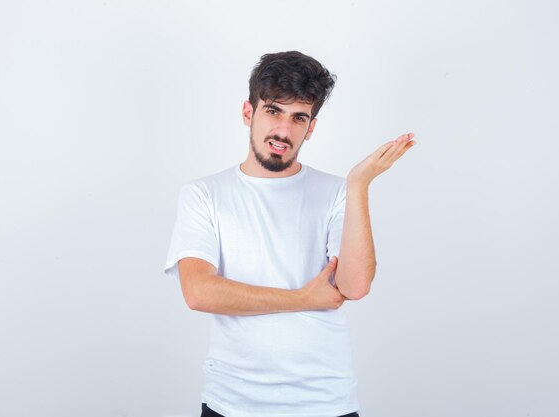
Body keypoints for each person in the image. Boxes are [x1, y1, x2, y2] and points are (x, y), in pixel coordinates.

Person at [164, 50, 415, 417]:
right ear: (248, 112)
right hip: (232, 403)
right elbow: (199, 292)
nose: (284, 131)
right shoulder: (204, 194)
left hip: (325, 402)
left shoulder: (337, 192)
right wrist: (303, 298)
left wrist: (358, 185)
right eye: (273, 111)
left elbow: (354, 286)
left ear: (311, 127)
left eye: (299, 117)